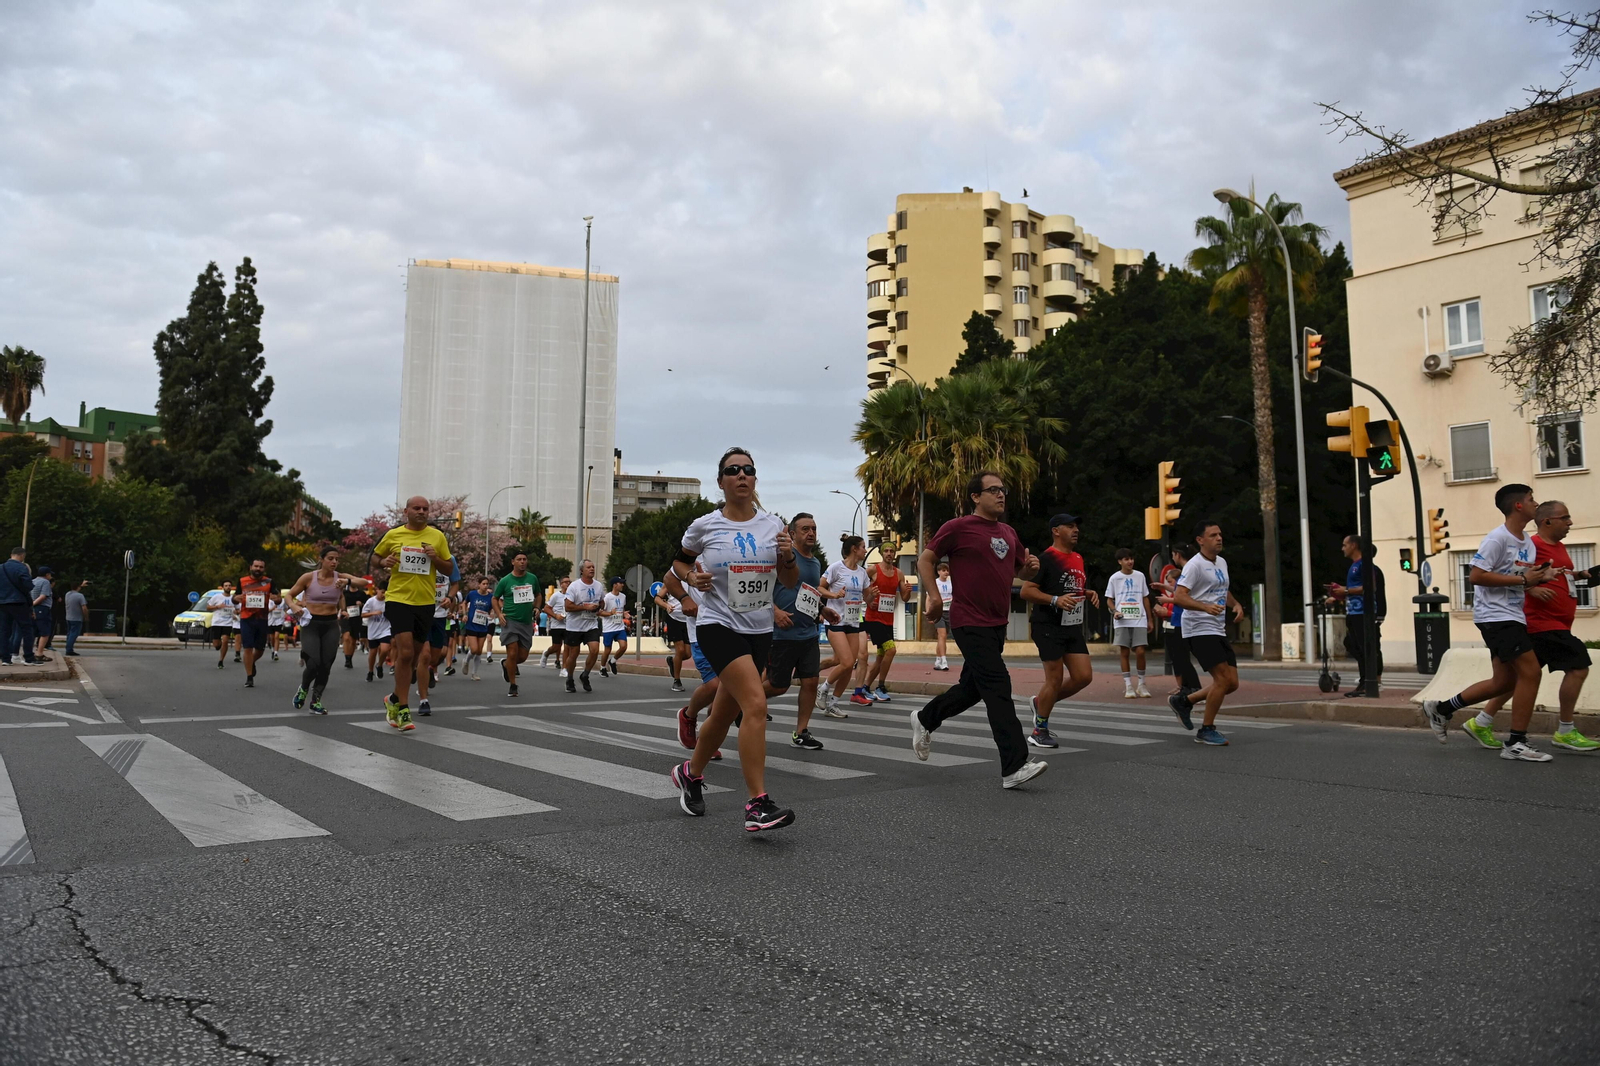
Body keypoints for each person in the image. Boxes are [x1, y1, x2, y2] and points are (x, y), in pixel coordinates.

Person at [667, 447, 799, 832]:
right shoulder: (705, 525)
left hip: (758, 629)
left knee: (724, 712)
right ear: (721, 481)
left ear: (755, 479)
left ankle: (690, 773)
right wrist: (691, 579)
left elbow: (788, 583)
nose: (742, 475)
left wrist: (788, 558)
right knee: (755, 704)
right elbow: (680, 563)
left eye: (748, 470)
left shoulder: (773, 525)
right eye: (733, 470)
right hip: (717, 624)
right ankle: (757, 804)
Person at [911, 471, 1048, 789]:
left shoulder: (1009, 532)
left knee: (973, 688)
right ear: (976, 496)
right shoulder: (957, 528)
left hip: (996, 622)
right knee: (999, 687)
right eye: (994, 490)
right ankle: (1014, 766)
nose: (1001, 495)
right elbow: (924, 560)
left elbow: (1018, 568)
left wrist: (1029, 568)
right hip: (968, 620)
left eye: (1004, 490)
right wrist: (933, 596)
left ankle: (925, 718)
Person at [1421, 485, 1564, 761]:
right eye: (1531, 499)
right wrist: (1524, 581)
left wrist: (1538, 579)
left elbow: (1518, 579)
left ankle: (1441, 709)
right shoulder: (1497, 539)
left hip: (1512, 614)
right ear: (1518, 506)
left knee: (1503, 681)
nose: (1536, 503)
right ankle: (1516, 743)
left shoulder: (1525, 542)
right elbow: (1476, 576)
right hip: (1496, 617)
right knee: (1531, 673)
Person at [1476, 500, 1598, 751]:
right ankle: (1565, 730)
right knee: (1579, 666)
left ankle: (1482, 721)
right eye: (1565, 518)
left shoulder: (1559, 547)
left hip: (1553, 623)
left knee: (1520, 680)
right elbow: (1516, 573)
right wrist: (1532, 589)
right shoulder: (1533, 545)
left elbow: (1556, 573)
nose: (1570, 523)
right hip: (1541, 623)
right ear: (1548, 521)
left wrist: (1581, 575)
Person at [373, 495, 454, 731]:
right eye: (416, 508)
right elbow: (377, 557)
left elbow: (448, 568)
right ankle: (404, 711)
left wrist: (435, 558)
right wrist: (383, 562)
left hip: (426, 602)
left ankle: (394, 699)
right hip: (398, 599)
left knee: (414, 656)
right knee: (406, 652)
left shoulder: (436, 536)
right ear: (406, 511)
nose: (421, 511)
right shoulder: (394, 534)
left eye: (425, 509)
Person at [1019, 513, 1100, 749]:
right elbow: (1026, 591)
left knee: (1083, 677)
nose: (1076, 530)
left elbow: (1070, 588)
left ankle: (1040, 702)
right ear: (1056, 530)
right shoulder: (1047, 558)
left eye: (1077, 527)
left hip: (1070, 626)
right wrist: (1054, 600)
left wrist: (1087, 593)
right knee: (1054, 679)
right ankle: (1039, 730)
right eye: (1070, 526)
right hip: (1047, 625)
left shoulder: (1077, 558)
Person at [1169, 520, 1248, 746]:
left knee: (1232, 683)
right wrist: (1204, 607)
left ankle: (1185, 701)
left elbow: (1222, 587)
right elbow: (1179, 596)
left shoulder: (1221, 562)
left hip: (1216, 627)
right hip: (1198, 627)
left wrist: (1236, 604)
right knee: (1222, 680)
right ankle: (1206, 729)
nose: (1219, 538)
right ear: (1200, 540)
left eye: (1220, 534)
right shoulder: (1194, 565)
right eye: (1213, 535)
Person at [764, 512, 838, 751]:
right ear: (792, 534)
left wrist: (823, 609)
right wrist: (774, 611)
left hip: (808, 634)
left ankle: (801, 732)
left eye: (814, 529)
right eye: (805, 529)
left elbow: (809, 592)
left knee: (811, 681)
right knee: (778, 685)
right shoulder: (781, 557)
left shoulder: (815, 562)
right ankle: (736, 702)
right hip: (781, 634)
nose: (811, 533)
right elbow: (762, 588)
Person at [282, 547, 372, 714]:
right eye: (330, 558)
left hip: (330, 624)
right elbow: (289, 595)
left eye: (337, 559)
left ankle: (316, 700)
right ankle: (303, 688)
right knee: (313, 662)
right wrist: (294, 606)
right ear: (321, 559)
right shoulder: (309, 578)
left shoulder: (341, 577)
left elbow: (365, 582)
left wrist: (348, 582)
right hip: (311, 624)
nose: (334, 562)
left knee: (326, 664)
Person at [1329, 535, 1387, 694]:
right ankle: (1366, 679)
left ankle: (1369, 681)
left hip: (1363, 613)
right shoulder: (1355, 566)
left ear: (1354, 545)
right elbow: (1357, 589)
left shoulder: (1365, 565)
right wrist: (1338, 594)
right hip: (1354, 612)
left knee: (1366, 646)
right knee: (1352, 644)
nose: (1343, 548)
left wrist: (1345, 590)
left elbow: (1370, 587)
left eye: (1344, 545)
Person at [820, 535, 869, 714]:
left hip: (853, 621)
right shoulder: (836, 568)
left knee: (850, 664)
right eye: (863, 547)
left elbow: (868, 597)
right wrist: (834, 596)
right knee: (846, 662)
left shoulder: (862, 572)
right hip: (835, 620)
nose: (865, 550)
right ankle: (824, 688)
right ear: (854, 549)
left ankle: (833, 703)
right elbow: (820, 588)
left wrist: (872, 596)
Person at [861, 547, 911, 702]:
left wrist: (908, 590)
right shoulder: (872, 570)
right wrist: (869, 599)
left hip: (888, 619)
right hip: (873, 618)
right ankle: (881, 687)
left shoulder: (899, 573)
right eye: (886, 551)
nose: (889, 554)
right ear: (882, 554)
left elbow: (905, 598)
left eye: (892, 551)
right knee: (891, 650)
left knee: (881, 656)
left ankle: (865, 687)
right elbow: (861, 587)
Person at [1106, 549, 1155, 698]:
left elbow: (1145, 597)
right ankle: (1128, 685)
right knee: (1125, 652)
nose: (1130, 562)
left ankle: (1141, 684)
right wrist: (1115, 611)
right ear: (1120, 561)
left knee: (1140, 651)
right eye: (1126, 559)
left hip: (1139, 618)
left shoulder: (1139, 576)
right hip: (1122, 620)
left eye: (1131, 558)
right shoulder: (1115, 578)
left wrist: (1149, 618)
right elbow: (1109, 599)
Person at [1155, 545, 1202, 697]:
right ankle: (1187, 687)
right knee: (1180, 658)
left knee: (1183, 657)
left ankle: (1194, 687)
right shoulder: (1189, 571)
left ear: (1177, 555)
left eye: (1173, 554)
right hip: (1178, 621)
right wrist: (1164, 587)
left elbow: (1184, 595)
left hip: (1184, 620)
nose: (1172, 558)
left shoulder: (1188, 570)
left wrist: (1167, 599)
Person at [493, 553, 540, 697]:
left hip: (526, 622)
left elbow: (538, 595)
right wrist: (499, 614)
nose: (522, 562)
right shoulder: (506, 581)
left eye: (525, 559)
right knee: (512, 652)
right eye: (519, 560)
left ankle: (506, 664)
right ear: (513, 562)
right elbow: (495, 598)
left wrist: (537, 607)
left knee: (522, 657)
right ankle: (513, 685)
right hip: (510, 620)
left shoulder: (532, 578)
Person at [234, 559, 279, 689]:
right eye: (256, 566)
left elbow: (278, 599)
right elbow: (235, 597)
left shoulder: (269, 582)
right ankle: (249, 677)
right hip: (246, 617)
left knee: (260, 649)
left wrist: (276, 599)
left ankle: (251, 662)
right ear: (251, 567)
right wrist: (236, 598)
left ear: (264, 569)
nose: (258, 569)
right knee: (247, 647)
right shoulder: (242, 581)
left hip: (262, 618)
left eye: (261, 567)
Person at [562, 560, 604, 692]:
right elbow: (568, 606)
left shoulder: (598, 586)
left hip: (591, 624)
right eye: (588, 567)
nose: (592, 569)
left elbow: (602, 602)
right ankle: (569, 678)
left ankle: (585, 674)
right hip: (575, 626)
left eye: (593, 567)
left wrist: (598, 607)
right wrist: (585, 607)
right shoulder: (574, 586)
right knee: (573, 654)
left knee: (595, 650)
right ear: (582, 570)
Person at [0, 547, 38, 666]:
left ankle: (5, 658)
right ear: (22, 556)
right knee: (26, 629)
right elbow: (28, 585)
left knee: (4, 631)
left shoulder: (1, 567)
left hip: (3, 602)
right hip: (19, 602)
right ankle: (29, 657)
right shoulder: (21, 567)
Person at [657, 581, 691, 692]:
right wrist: (666, 605)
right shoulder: (671, 580)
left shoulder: (692, 579)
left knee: (687, 654)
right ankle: (677, 681)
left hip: (688, 619)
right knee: (680, 650)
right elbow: (657, 599)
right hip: (674, 618)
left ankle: (672, 661)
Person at [461, 576, 496, 680]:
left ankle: (474, 673)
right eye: (484, 584)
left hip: (483, 625)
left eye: (487, 584)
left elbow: (491, 609)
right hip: (472, 624)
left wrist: (492, 613)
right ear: (479, 584)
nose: (486, 586)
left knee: (479, 651)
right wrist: (465, 614)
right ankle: (466, 661)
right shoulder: (472, 594)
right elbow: (464, 603)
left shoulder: (490, 597)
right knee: (474, 649)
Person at [540, 577, 570, 672]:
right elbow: (546, 608)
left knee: (567, 647)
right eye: (565, 582)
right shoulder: (556, 596)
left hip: (569, 625)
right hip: (557, 625)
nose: (568, 584)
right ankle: (546, 653)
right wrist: (556, 616)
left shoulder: (573, 596)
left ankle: (564, 668)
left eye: (569, 582)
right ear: (561, 584)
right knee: (556, 647)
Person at [600, 576, 629, 676]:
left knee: (624, 646)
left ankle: (612, 661)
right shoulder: (607, 598)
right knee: (607, 650)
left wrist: (624, 614)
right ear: (614, 585)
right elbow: (599, 612)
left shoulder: (623, 596)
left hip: (619, 627)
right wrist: (610, 614)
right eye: (620, 583)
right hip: (608, 628)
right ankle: (602, 668)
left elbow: (622, 609)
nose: (622, 585)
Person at [363, 583, 392, 682]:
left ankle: (379, 665)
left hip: (385, 629)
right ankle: (370, 671)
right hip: (373, 630)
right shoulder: (371, 601)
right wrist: (373, 613)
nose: (383, 595)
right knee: (373, 652)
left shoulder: (389, 601)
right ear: (377, 590)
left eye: (386, 593)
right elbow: (363, 614)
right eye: (382, 592)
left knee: (385, 649)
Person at [205, 582, 236, 669]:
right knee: (216, 644)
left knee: (225, 641)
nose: (228, 587)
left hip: (228, 623)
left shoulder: (234, 598)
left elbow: (237, 609)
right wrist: (218, 606)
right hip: (217, 622)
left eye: (229, 586)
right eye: (226, 586)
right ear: (223, 587)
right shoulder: (217, 597)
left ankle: (221, 660)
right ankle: (219, 645)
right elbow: (208, 607)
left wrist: (236, 613)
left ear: (231, 587)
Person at [340, 576, 368, 669]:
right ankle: (346, 658)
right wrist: (342, 610)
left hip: (356, 618)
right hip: (345, 617)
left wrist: (361, 604)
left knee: (353, 640)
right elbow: (338, 602)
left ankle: (350, 658)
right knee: (346, 637)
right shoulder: (344, 593)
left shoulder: (361, 594)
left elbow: (368, 606)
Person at [933, 561, 954, 671]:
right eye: (943, 570)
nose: (946, 572)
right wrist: (930, 612)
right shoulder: (935, 583)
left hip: (949, 612)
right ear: (938, 572)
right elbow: (929, 598)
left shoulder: (951, 583)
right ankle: (944, 661)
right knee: (943, 635)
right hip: (939, 612)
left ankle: (937, 660)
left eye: (947, 571)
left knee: (941, 638)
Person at [30, 566, 54, 661]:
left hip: (33, 610)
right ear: (47, 574)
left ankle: (29, 652)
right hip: (42, 608)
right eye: (50, 574)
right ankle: (39, 653)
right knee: (45, 632)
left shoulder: (32, 581)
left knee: (32, 632)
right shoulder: (45, 582)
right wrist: (33, 604)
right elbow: (43, 596)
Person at [64, 579, 88, 657]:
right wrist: (86, 616)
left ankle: (68, 647)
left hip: (68, 617)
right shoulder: (80, 596)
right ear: (78, 587)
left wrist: (81, 585)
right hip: (77, 618)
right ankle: (69, 649)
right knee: (74, 634)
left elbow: (75, 588)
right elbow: (84, 607)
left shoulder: (67, 594)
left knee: (69, 633)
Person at [266, 593, 286, 662]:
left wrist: (286, 614)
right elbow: (266, 611)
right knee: (272, 637)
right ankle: (272, 649)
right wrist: (273, 608)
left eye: (276, 595)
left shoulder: (283, 601)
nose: (274, 596)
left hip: (279, 621)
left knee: (276, 636)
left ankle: (276, 653)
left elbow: (286, 608)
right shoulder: (268, 601)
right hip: (270, 621)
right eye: (272, 595)